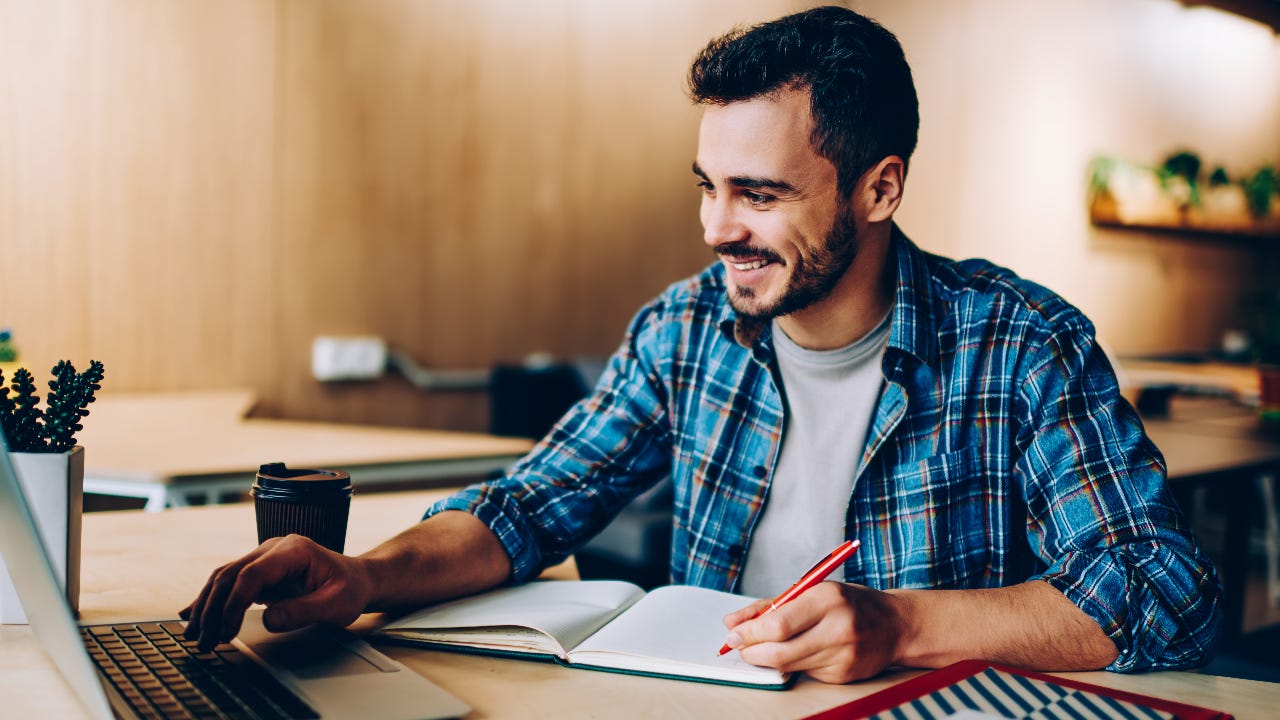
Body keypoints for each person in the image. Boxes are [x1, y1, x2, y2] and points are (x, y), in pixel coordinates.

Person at [183, 6, 1221, 684]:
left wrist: (900, 627)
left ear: (879, 187)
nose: (716, 228)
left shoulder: (1019, 345)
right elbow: (526, 507)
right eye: (709, 187)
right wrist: (363, 576)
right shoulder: (685, 329)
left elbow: (1160, 591)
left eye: (758, 195)